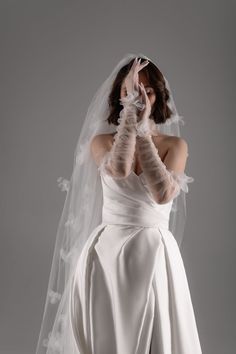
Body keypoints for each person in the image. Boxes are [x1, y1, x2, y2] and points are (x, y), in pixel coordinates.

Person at [35, 53, 202, 354]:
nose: (141, 98)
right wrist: (131, 119)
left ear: (158, 96)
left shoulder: (176, 146)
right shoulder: (101, 141)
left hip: (154, 252)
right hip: (106, 254)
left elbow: (162, 193)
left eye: (147, 91)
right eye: (132, 91)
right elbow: (120, 169)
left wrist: (143, 131)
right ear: (121, 97)